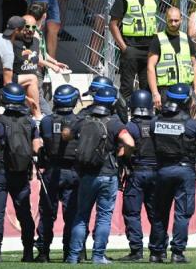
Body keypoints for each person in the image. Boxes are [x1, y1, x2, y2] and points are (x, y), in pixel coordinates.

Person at [63, 85, 135, 264]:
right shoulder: (114, 122)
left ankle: (73, 256)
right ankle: (98, 256)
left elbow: (65, 135)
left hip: (87, 174)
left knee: (81, 216)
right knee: (103, 217)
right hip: (108, 174)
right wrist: (122, 152)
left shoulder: (84, 119)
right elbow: (130, 142)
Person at [148, 84, 196, 263]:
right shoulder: (191, 124)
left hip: (162, 170)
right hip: (184, 170)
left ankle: (156, 252)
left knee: (160, 212)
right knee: (182, 213)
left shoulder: (155, 121)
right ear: (186, 101)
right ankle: (177, 252)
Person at [0, 83, 42, 262]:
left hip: (0, 173)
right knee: (24, 213)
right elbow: (36, 149)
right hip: (21, 173)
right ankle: (28, 252)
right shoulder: (30, 122)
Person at [33, 85, 81, 262]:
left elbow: (43, 144)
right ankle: (70, 252)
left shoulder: (46, 121)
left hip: (52, 171)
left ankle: (43, 252)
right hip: (73, 172)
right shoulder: (78, 121)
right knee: (72, 215)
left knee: (47, 213)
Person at [115, 89, 158, 262]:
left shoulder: (130, 127)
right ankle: (157, 251)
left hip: (137, 173)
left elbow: (123, 152)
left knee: (132, 213)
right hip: (156, 173)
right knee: (156, 214)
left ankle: (136, 250)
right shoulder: (158, 124)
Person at [109, 0, 157, 101]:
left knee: (147, 87)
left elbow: (153, 21)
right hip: (131, 47)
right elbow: (113, 25)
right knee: (126, 89)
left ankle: (145, 117)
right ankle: (124, 119)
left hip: (148, 49)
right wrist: (124, 48)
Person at [147, 7, 196, 109]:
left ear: (181, 19)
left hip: (185, 90)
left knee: (186, 123)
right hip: (166, 92)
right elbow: (150, 67)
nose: (173, 23)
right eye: (170, 20)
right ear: (166, 19)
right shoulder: (158, 39)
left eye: (176, 20)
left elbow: (194, 65)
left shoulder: (186, 39)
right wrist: (155, 93)